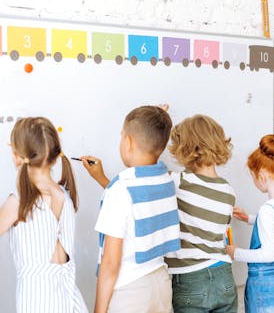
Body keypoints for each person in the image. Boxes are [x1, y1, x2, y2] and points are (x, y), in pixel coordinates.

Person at [81, 106, 180, 313]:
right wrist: (101, 178)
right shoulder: (166, 180)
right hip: (160, 284)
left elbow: (110, 263)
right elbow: (137, 202)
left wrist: (99, 310)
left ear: (129, 142)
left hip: (129, 291)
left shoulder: (120, 190)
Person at [0, 117, 88, 313]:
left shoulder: (19, 202)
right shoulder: (65, 196)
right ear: (55, 156)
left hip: (36, 301)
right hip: (69, 300)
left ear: (16, 157)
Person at [164, 114, 238, 312]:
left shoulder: (178, 181)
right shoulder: (228, 190)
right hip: (224, 276)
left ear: (185, 149)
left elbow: (140, 182)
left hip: (190, 279)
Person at [226, 134, 274, 313]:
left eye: (253, 177)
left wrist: (235, 252)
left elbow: (268, 254)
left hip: (265, 284)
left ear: (261, 176)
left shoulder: (268, 209)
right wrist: (250, 218)